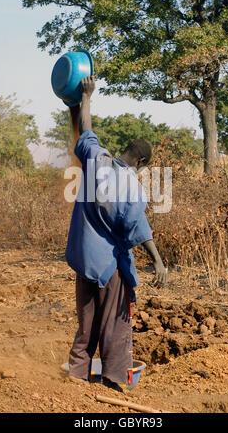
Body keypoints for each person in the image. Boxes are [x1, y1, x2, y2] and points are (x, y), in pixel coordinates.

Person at [64, 75, 167, 390]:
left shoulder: (96, 158)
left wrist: (87, 96)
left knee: (87, 323)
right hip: (110, 268)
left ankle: (77, 373)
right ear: (143, 162)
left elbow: (86, 130)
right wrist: (158, 261)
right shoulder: (134, 189)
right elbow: (138, 228)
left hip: (84, 260)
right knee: (115, 323)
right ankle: (112, 377)